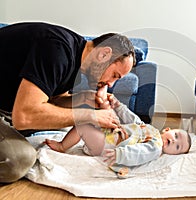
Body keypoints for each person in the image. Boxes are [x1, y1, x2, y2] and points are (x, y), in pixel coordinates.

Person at [0, 22, 135, 183]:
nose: (111, 84)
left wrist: (81, 99)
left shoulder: (77, 58)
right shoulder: (56, 50)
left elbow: (52, 99)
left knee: (64, 125)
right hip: (16, 112)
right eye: (114, 75)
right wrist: (89, 115)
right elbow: (24, 116)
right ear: (104, 54)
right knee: (19, 160)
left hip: (9, 107)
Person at [44, 86, 192, 178]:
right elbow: (132, 120)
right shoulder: (150, 129)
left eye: (177, 147)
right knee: (108, 111)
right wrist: (118, 106)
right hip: (112, 131)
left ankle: (63, 146)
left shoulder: (156, 147)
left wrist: (121, 155)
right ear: (167, 130)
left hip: (107, 146)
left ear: (173, 154)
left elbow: (140, 152)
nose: (174, 141)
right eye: (176, 136)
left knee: (82, 125)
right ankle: (107, 99)